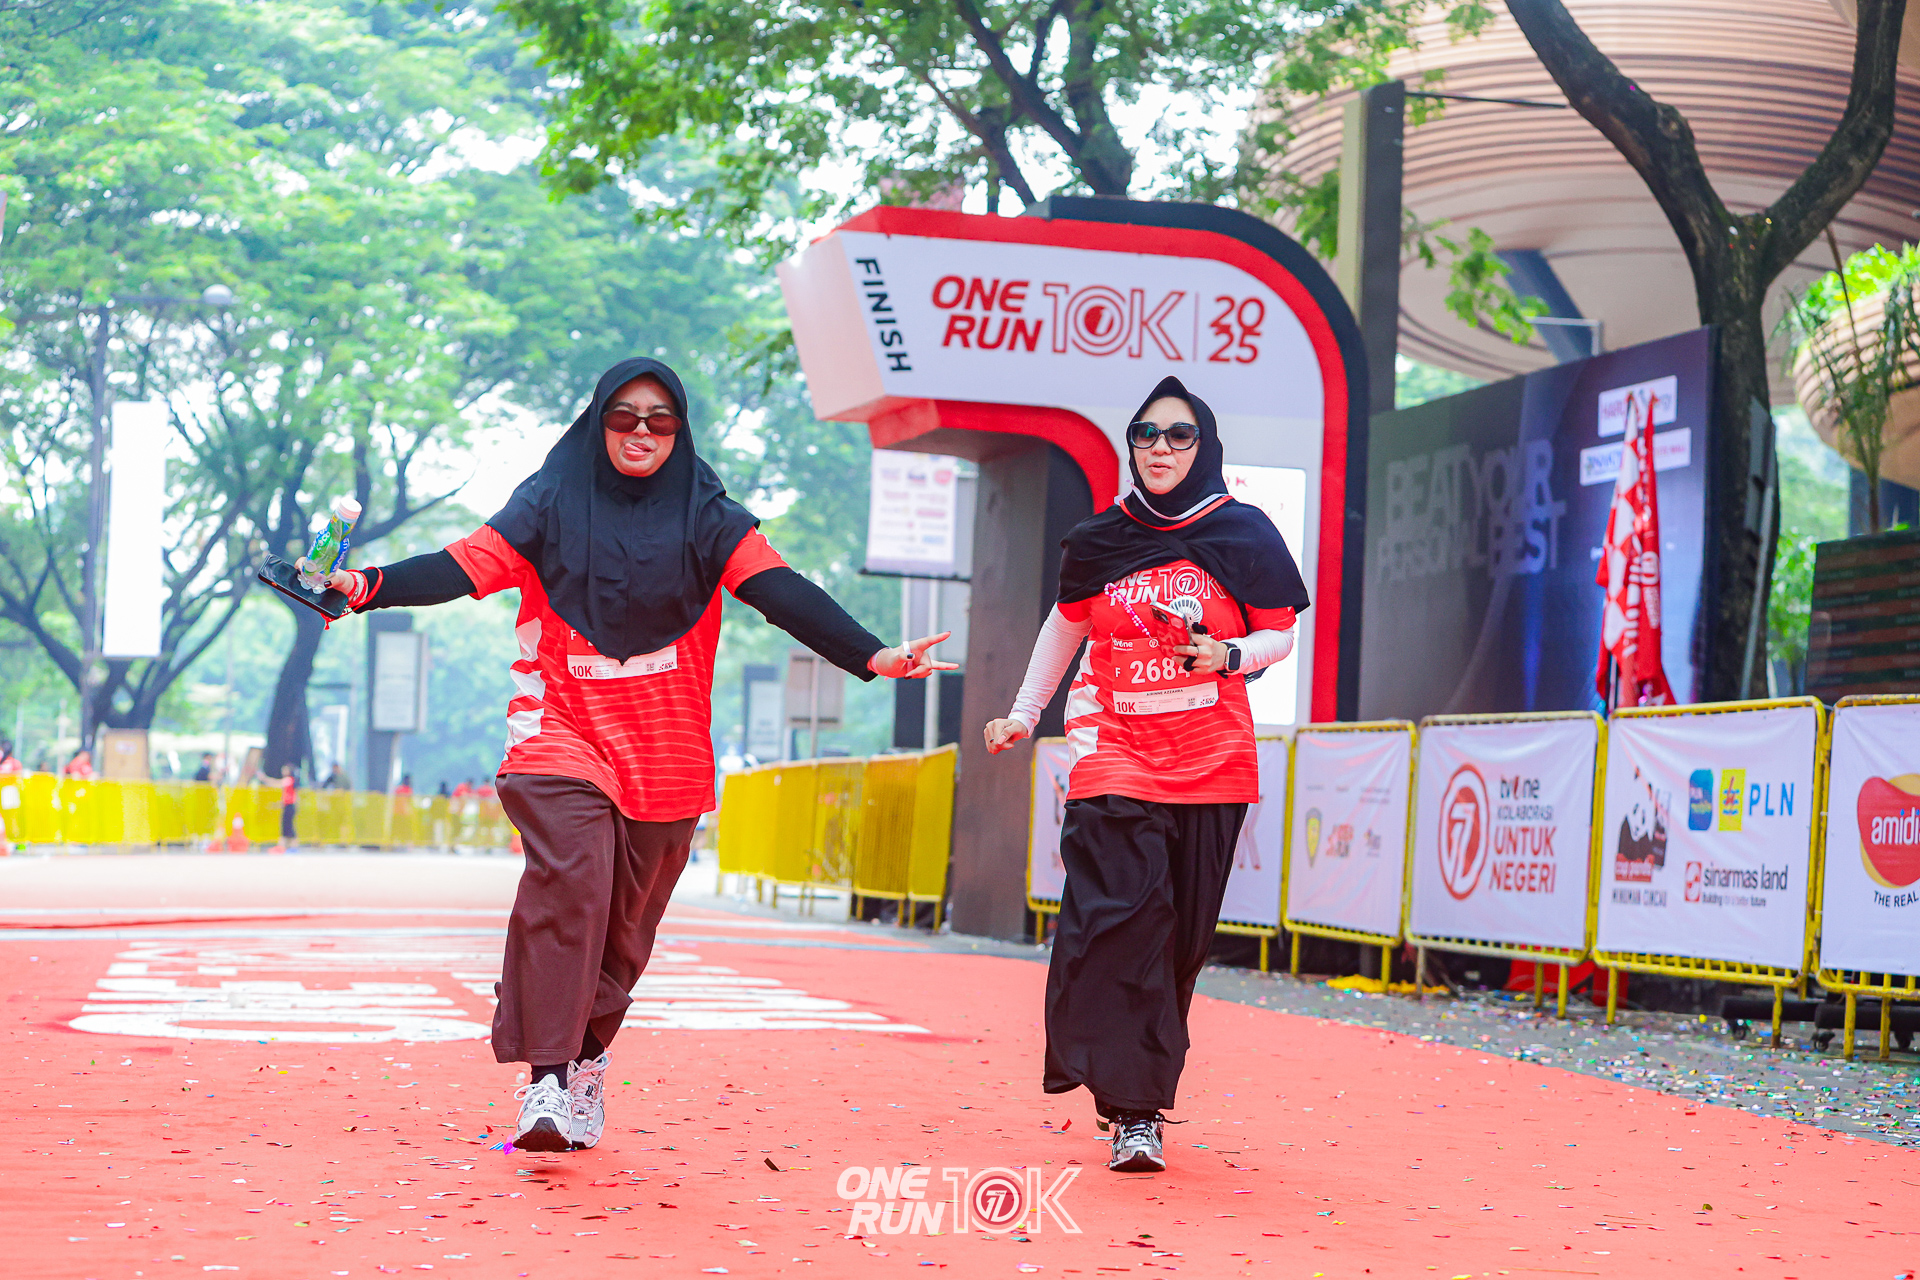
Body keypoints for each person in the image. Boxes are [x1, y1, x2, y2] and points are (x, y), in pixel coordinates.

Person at [321, 356, 951, 1154]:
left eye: (660, 419)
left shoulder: (711, 518)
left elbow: (782, 591)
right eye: (623, 416)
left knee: (625, 934)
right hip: (560, 732)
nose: (641, 431)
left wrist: (875, 655)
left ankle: (586, 1062)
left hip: (666, 754)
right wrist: (365, 585)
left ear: (680, 431)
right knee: (573, 879)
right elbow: (461, 566)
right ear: (598, 424)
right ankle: (548, 1080)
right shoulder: (548, 502)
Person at [983, 375, 1309, 1174]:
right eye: (1146, 434)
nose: (1160, 448)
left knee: (1179, 943)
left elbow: (1280, 633)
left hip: (1213, 759)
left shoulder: (1243, 532)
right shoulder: (1100, 538)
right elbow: (1064, 628)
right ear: (1131, 446)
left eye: (1179, 435)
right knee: (1119, 921)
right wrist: (1023, 713)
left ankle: (1136, 1084)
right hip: (1113, 749)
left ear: (1205, 446)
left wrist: (1229, 654)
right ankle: (1133, 1111)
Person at [277, 765, 299, 850]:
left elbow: (277, 784)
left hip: (290, 806)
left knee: (288, 826)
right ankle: (287, 846)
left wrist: (264, 778)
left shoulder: (289, 780)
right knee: (286, 826)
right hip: (287, 806)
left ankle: (292, 846)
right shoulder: (290, 781)